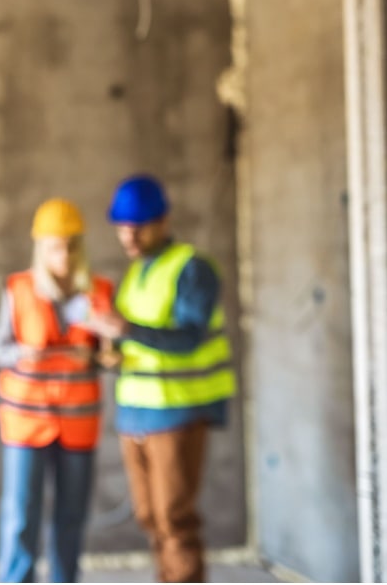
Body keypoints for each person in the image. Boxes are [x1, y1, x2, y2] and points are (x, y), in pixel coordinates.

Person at [83, 174, 237, 583]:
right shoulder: (137, 273)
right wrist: (112, 354)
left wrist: (127, 329)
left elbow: (189, 337)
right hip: (136, 414)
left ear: (163, 221)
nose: (128, 235)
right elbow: (138, 339)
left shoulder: (191, 268)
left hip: (177, 411)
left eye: (138, 226)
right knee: (150, 517)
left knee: (174, 518)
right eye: (122, 227)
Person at [0, 198, 115, 583]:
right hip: (27, 423)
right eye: (56, 245)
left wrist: (97, 352)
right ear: (41, 248)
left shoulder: (99, 292)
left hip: (78, 423)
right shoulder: (19, 288)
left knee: (71, 515)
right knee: (21, 514)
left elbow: (112, 355)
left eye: (72, 244)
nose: (65, 253)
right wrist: (23, 353)